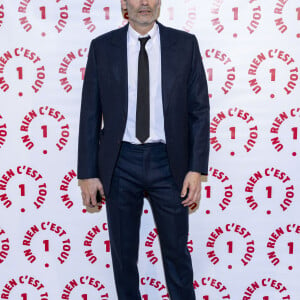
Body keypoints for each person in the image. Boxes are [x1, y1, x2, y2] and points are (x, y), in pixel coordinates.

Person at [77, 0, 210, 299]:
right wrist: (87, 173)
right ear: (124, 3)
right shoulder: (102, 47)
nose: (144, 3)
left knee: (177, 255)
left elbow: (199, 110)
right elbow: (89, 112)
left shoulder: (185, 45)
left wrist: (195, 168)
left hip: (170, 163)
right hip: (120, 163)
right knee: (123, 259)